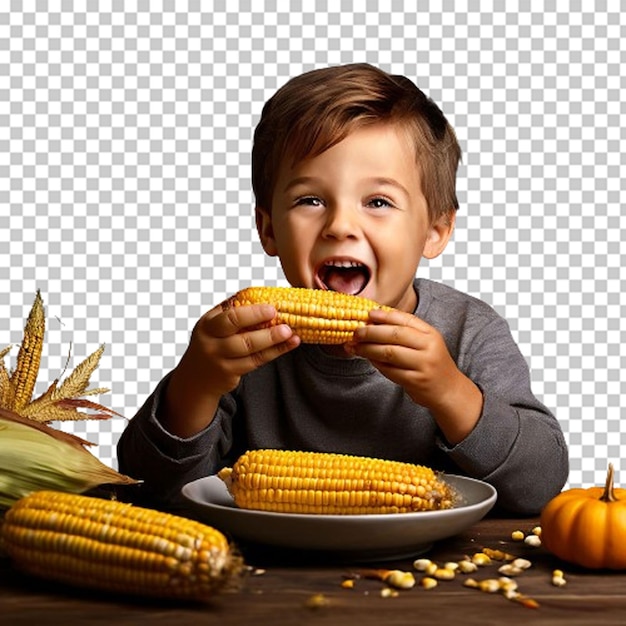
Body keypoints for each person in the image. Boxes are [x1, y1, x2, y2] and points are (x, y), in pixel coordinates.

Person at [117, 63, 568, 515]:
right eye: (310, 200)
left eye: (378, 202)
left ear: (434, 230)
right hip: (269, 570)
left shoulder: (469, 331)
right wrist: (195, 384)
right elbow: (151, 489)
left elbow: (539, 486)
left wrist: (451, 392)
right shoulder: (241, 343)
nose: (340, 226)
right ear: (269, 229)